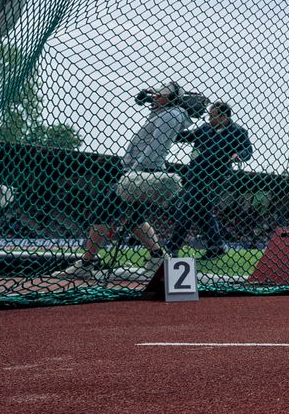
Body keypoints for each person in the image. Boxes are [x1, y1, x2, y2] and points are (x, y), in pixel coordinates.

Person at [56, 82, 195, 281]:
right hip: (144, 170)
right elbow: (146, 102)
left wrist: (132, 172)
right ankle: (158, 257)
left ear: (170, 100)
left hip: (142, 171)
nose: (155, 96)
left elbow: (155, 147)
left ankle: (86, 263)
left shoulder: (169, 115)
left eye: (160, 94)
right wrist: (148, 97)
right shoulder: (167, 112)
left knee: (103, 211)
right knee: (135, 219)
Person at [167, 100, 252, 260]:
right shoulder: (205, 128)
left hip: (216, 178)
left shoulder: (238, 131)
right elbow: (188, 136)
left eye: (212, 116)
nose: (208, 119)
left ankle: (173, 247)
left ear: (223, 116)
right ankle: (216, 245)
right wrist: (170, 130)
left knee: (186, 208)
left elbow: (247, 149)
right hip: (195, 174)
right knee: (201, 212)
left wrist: (239, 155)